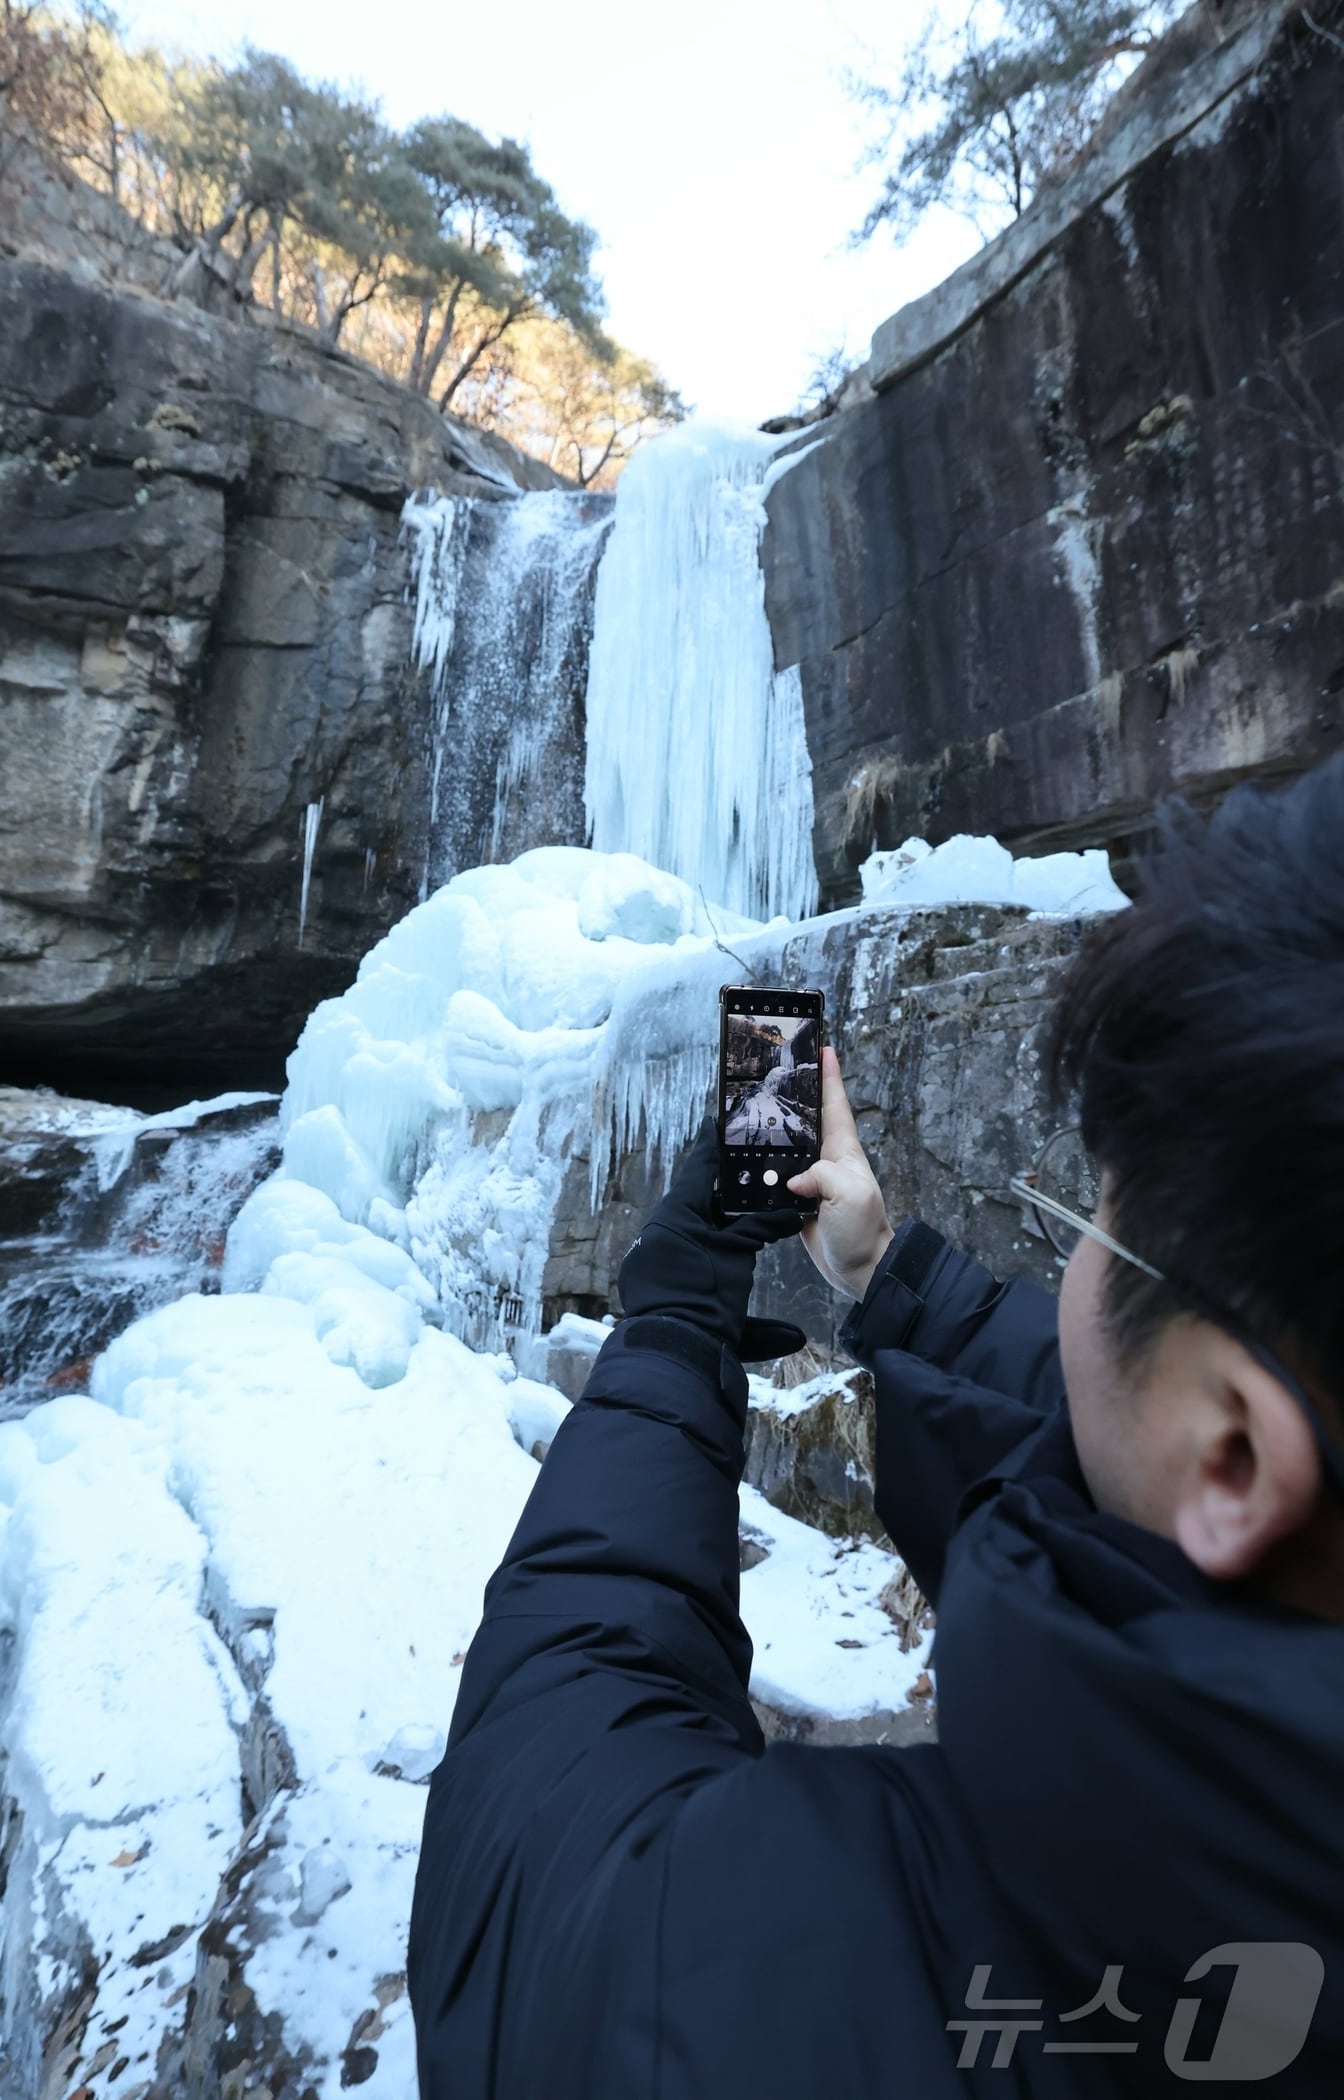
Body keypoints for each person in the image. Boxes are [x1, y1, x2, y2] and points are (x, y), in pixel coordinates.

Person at [407, 754, 1344, 2097]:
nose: (1072, 1263)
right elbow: (1121, 1427)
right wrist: (891, 1272)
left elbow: (545, 1843)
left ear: (1239, 1454)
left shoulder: (799, 1987)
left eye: (1099, 1219)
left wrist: (676, 1313)